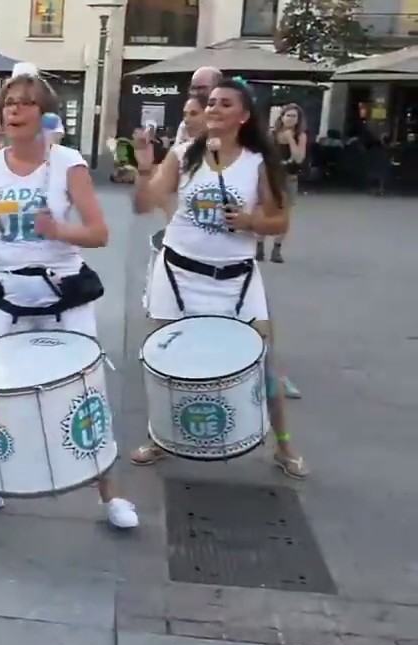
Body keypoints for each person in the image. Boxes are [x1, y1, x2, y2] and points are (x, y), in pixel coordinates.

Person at [0, 65, 139, 527]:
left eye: (24, 102)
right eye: (6, 104)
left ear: (44, 114)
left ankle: (108, 494)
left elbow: (98, 233)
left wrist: (58, 230)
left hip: (62, 294)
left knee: (83, 390)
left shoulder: (68, 163)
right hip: (4, 294)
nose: (12, 110)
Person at [130, 78, 308, 479]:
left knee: (262, 360)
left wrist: (248, 220)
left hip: (237, 279)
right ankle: (160, 437)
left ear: (243, 116)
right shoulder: (182, 155)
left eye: (224, 104)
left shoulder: (257, 162)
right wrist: (144, 164)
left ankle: (283, 446)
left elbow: (279, 219)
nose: (213, 109)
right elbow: (143, 205)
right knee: (165, 360)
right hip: (178, 273)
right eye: (210, 103)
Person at [258, 103, 306, 263]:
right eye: (288, 115)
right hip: (271, 176)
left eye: (294, 116)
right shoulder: (272, 134)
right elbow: (263, 155)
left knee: (284, 215)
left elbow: (299, 158)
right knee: (266, 211)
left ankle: (276, 250)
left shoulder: (301, 136)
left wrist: (291, 138)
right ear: (282, 117)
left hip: (289, 178)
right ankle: (259, 246)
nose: (291, 119)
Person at [176, 67, 222, 144]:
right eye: (193, 88)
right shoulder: (186, 124)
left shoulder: (229, 118)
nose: (196, 93)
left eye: (202, 88)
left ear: (217, 87)